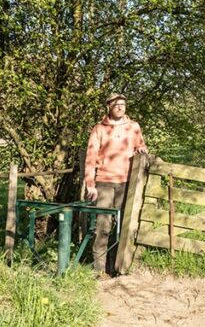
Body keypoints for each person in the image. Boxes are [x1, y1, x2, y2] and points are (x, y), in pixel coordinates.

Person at [83, 92, 147, 277]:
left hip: (127, 183)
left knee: (124, 226)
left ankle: (118, 268)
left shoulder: (133, 127)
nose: (120, 107)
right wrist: (90, 183)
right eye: (116, 104)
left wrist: (141, 149)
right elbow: (91, 157)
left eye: (123, 104)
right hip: (104, 182)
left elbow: (140, 145)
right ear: (109, 107)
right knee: (102, 226)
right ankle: (99, 270)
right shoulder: (99, 129)